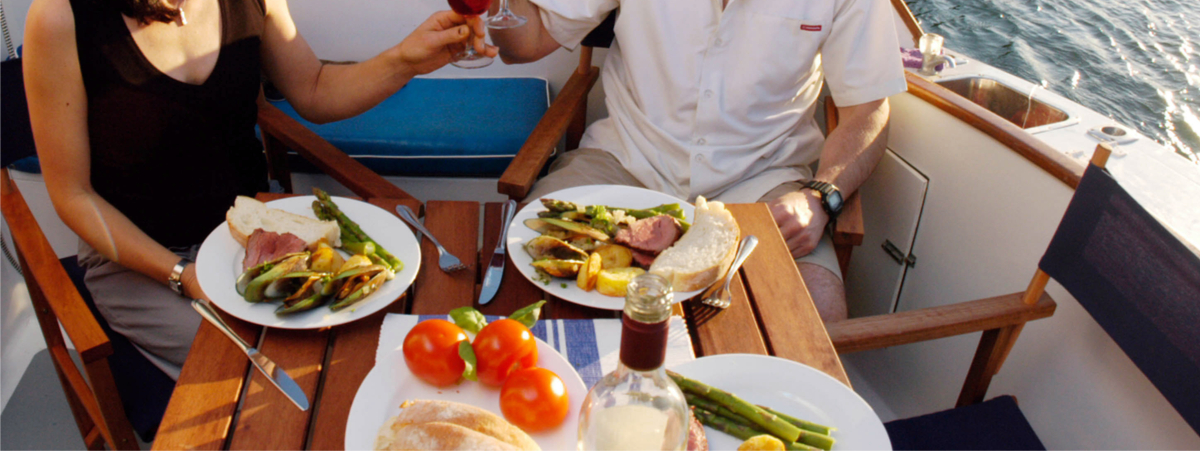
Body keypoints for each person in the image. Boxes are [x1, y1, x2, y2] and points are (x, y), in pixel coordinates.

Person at [22, 0, 498, 379]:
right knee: (279, 369)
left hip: (257, 240)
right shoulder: (61, 15)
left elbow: (312, 89)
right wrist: (182, 275)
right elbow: (73, 196)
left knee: (367, 341)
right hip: (142, 262)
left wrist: (404, 60)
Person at [489, 1, 906, 322]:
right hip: (626, 159)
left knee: (817, 308)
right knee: (522, 271)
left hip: (763, 179)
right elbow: (526, 42)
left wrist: (822, 195)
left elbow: (868, 110)